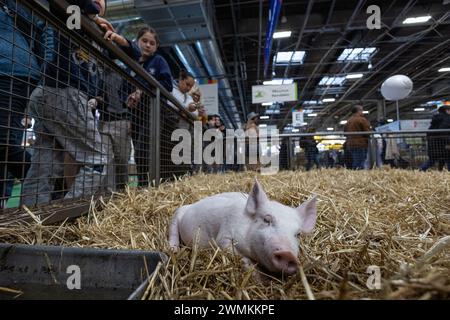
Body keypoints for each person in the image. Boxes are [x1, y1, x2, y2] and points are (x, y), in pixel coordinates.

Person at [22, 0, 111, 206]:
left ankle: (30, 217)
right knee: (97, 159)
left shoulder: (94, 30)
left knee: (45, 161)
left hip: (51, 93)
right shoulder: (72, 12)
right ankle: (67, 215)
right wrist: (95, 15)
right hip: (64, 91)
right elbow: (88, 6)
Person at [104, 26, 173, 186]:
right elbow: (122, 91)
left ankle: (153, 185)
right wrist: (127, 101)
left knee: (147, 148)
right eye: (145, 41)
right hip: (136, 115)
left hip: (154, 111)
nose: (148, 45)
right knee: (140, 152)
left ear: (156, 47)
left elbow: (167, 84)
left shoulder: (158, 61)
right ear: (137, 41)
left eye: (152, 43)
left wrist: (142, 90)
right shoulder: (130, 65)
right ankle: (143, 185)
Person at [0, 0, 46, 208]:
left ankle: (48, 186)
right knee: (6, 143)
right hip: (16, 70)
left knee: (4, 143)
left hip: (12, 72)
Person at [420, 105, 450, 171]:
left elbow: (429, 132)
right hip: (444, 145)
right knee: (448, 159)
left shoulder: (435, 119)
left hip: (434, 145)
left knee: (432, 160)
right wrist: (448, 142)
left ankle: (420, 170)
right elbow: (443, 132)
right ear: (446, 111)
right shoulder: (447, 118)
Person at [344, 105, 371, 170]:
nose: (362, 112)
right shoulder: (362, 119)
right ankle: (359, 176)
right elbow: (368, 132)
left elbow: (345, 132)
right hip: (360, 144)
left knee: (355, 161)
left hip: (350, 144)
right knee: (360, 162)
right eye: (361, 110)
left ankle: (354, 175)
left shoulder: (348, 121)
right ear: (358, 111)